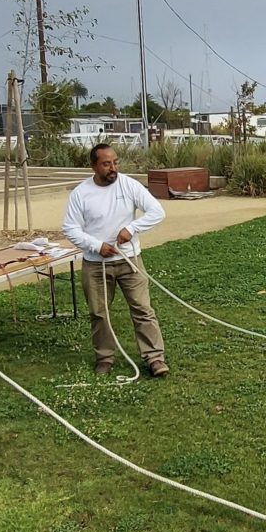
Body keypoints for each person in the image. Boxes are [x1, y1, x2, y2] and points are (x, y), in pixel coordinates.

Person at [62, 144, 170, 377]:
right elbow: (70, 228)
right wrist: (96, 246)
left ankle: (154, 358)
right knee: (99, 313)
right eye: (106, 164)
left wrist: (131, 228)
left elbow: (156, 211)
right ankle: (104, 358)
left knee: (142, 309)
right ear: (93, 166)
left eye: (115, 162)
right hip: (95, 264)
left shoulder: (129, 185)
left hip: (129, 259)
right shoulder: (81, 193)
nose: (113, 168)